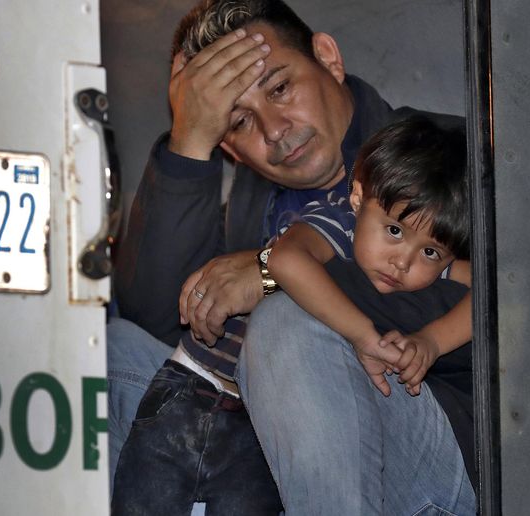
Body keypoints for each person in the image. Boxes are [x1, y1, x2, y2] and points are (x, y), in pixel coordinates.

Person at [108, 0, 397, 481]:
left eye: (280, 88)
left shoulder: (445, 154)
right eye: (239, 122)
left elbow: (427, 262)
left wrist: (273, 269)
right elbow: (155, 324)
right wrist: (188, 143)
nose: (274, 129)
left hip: (393, 452)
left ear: (327, 58)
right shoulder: (246, 213)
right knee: (111, 352)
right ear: (228, 147)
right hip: (249, 455)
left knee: (283, 324)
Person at [239, 115, 476, 514]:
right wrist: (362, 335)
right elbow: (285, 259)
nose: (403, 261)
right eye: (394, 232)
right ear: (357, 198)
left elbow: (496, 294)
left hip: (451, 459)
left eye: (430, 253)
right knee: (282, 316)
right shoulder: (340, 222)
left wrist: (432, 341)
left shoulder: (428, 253)